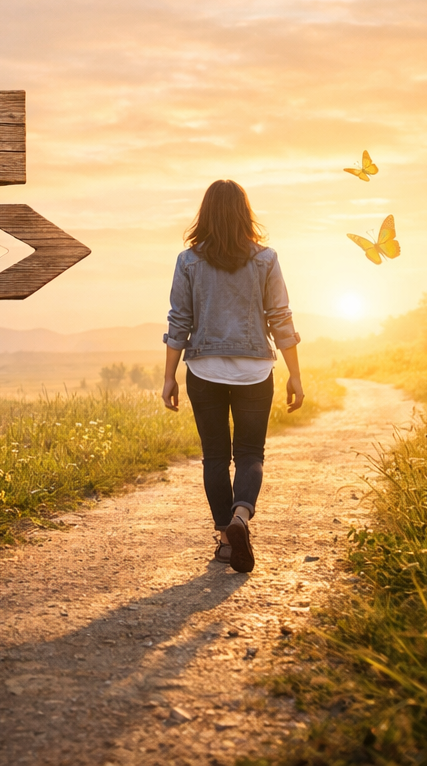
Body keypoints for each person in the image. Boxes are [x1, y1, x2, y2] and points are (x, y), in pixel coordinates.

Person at [160, 180, 303, 573]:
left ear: (204, 214)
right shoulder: (266, 259)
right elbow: (281, 318)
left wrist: (169, 376)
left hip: (203, 370)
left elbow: (179, 321)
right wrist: (295, 375)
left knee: (216, 458)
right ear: (245, 213)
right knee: (250, 454)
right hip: (256, 371)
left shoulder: (187, 261)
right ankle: (241, 518)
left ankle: (225, 539)